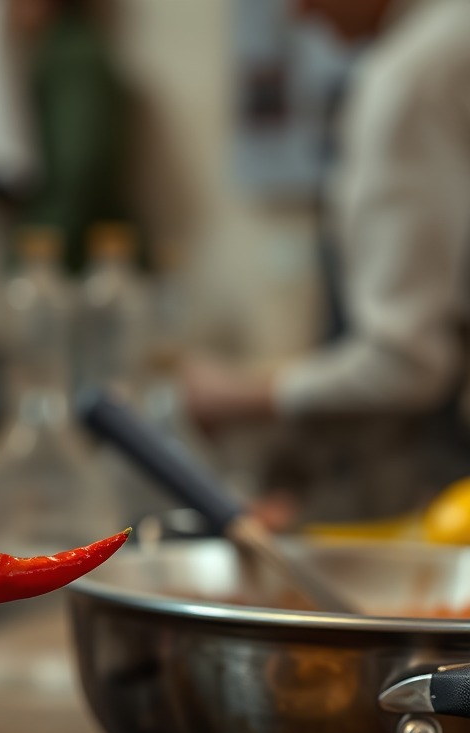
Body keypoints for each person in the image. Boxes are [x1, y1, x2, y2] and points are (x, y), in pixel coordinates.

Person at [179, 0, 470, 520]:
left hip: (437, 488)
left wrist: (237, 396)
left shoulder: (410, 79)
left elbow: (409, 363)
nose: (297, 14)